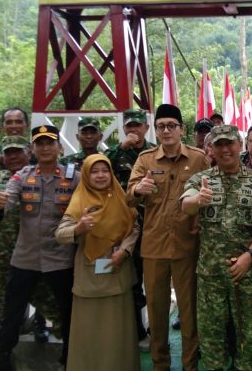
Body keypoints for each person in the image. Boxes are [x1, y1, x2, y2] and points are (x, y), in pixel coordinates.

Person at [0, 125, 79, 370]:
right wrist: (0, 205)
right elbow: (8, 199)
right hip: (25, 258)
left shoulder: (74, 177)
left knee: (68, 312)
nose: (45, 148)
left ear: (59, 147)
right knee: (11, 312)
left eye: (50, 143)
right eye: (40, 144)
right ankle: (0, 360)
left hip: (60, 259)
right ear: (33, 149)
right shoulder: (22, 176)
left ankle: (70, 360)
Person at [127, 104, 209, 371]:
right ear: (155, 130)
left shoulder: (198, 159)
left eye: (171, 125)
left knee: (189, 311)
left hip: (188, 245)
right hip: (154, 246)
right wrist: (138, 189)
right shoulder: (146, 160)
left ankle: (189, 365)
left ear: (181, 129)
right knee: (157, 310)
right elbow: (128, 197)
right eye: (161, 126)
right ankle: (160, 364)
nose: (166, 131)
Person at [180, 125, 252, 371]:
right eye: (219, 144)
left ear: (240, 145)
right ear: (211, 148)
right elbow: (185, 204)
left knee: (248, 334)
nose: (225, 149)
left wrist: (250, 255)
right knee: (211, 334)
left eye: (229, 143)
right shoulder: (202, 179)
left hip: (246, 272)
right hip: (211, 273)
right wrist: (198, 200)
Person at [0, 135, 60, 370]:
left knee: (56, 306)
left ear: (28, 152)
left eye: (18, 152)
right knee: (1, 309)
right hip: (5, 256)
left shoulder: (46, 175)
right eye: (8, 153)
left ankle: (72, 353)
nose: (13, 156)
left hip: (38, 255)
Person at [55, 154, 141, 370]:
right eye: (94, 171)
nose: (101, 175)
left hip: (118, 272)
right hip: (90, 279)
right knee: (90, 333)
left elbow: (134, 226)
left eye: (105, 171)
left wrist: (125, 250)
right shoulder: (79, 200)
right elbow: (60, 234)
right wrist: (78, 228)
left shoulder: (120, 197)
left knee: (117, 332)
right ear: (86, 175)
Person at [104, 108, 155, 349]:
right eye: (129, 126)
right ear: (124, 129)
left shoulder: (155, 152)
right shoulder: (116, 153)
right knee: (131, 279)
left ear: (146, 128)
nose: (134, 129)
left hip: (153, 225)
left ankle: (157, 329)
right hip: (126, 226)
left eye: (138, 125)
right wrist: (119, 148)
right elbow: (97, 167)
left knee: (154, 280)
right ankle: (137, 330)